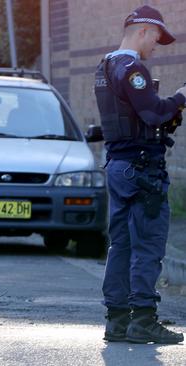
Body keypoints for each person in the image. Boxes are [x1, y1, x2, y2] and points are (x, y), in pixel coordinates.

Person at [94, 5, 186, 344]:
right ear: (144, 30)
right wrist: (180, 98)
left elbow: (132, 116)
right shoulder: (133, 68)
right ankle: (143, 320)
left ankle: (117, 320)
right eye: (156, 38)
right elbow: (152, 113)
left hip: (119, 168)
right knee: (147, 246)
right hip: (142, 170)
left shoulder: (104, 67)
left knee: (121, 244)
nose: (155, 47)